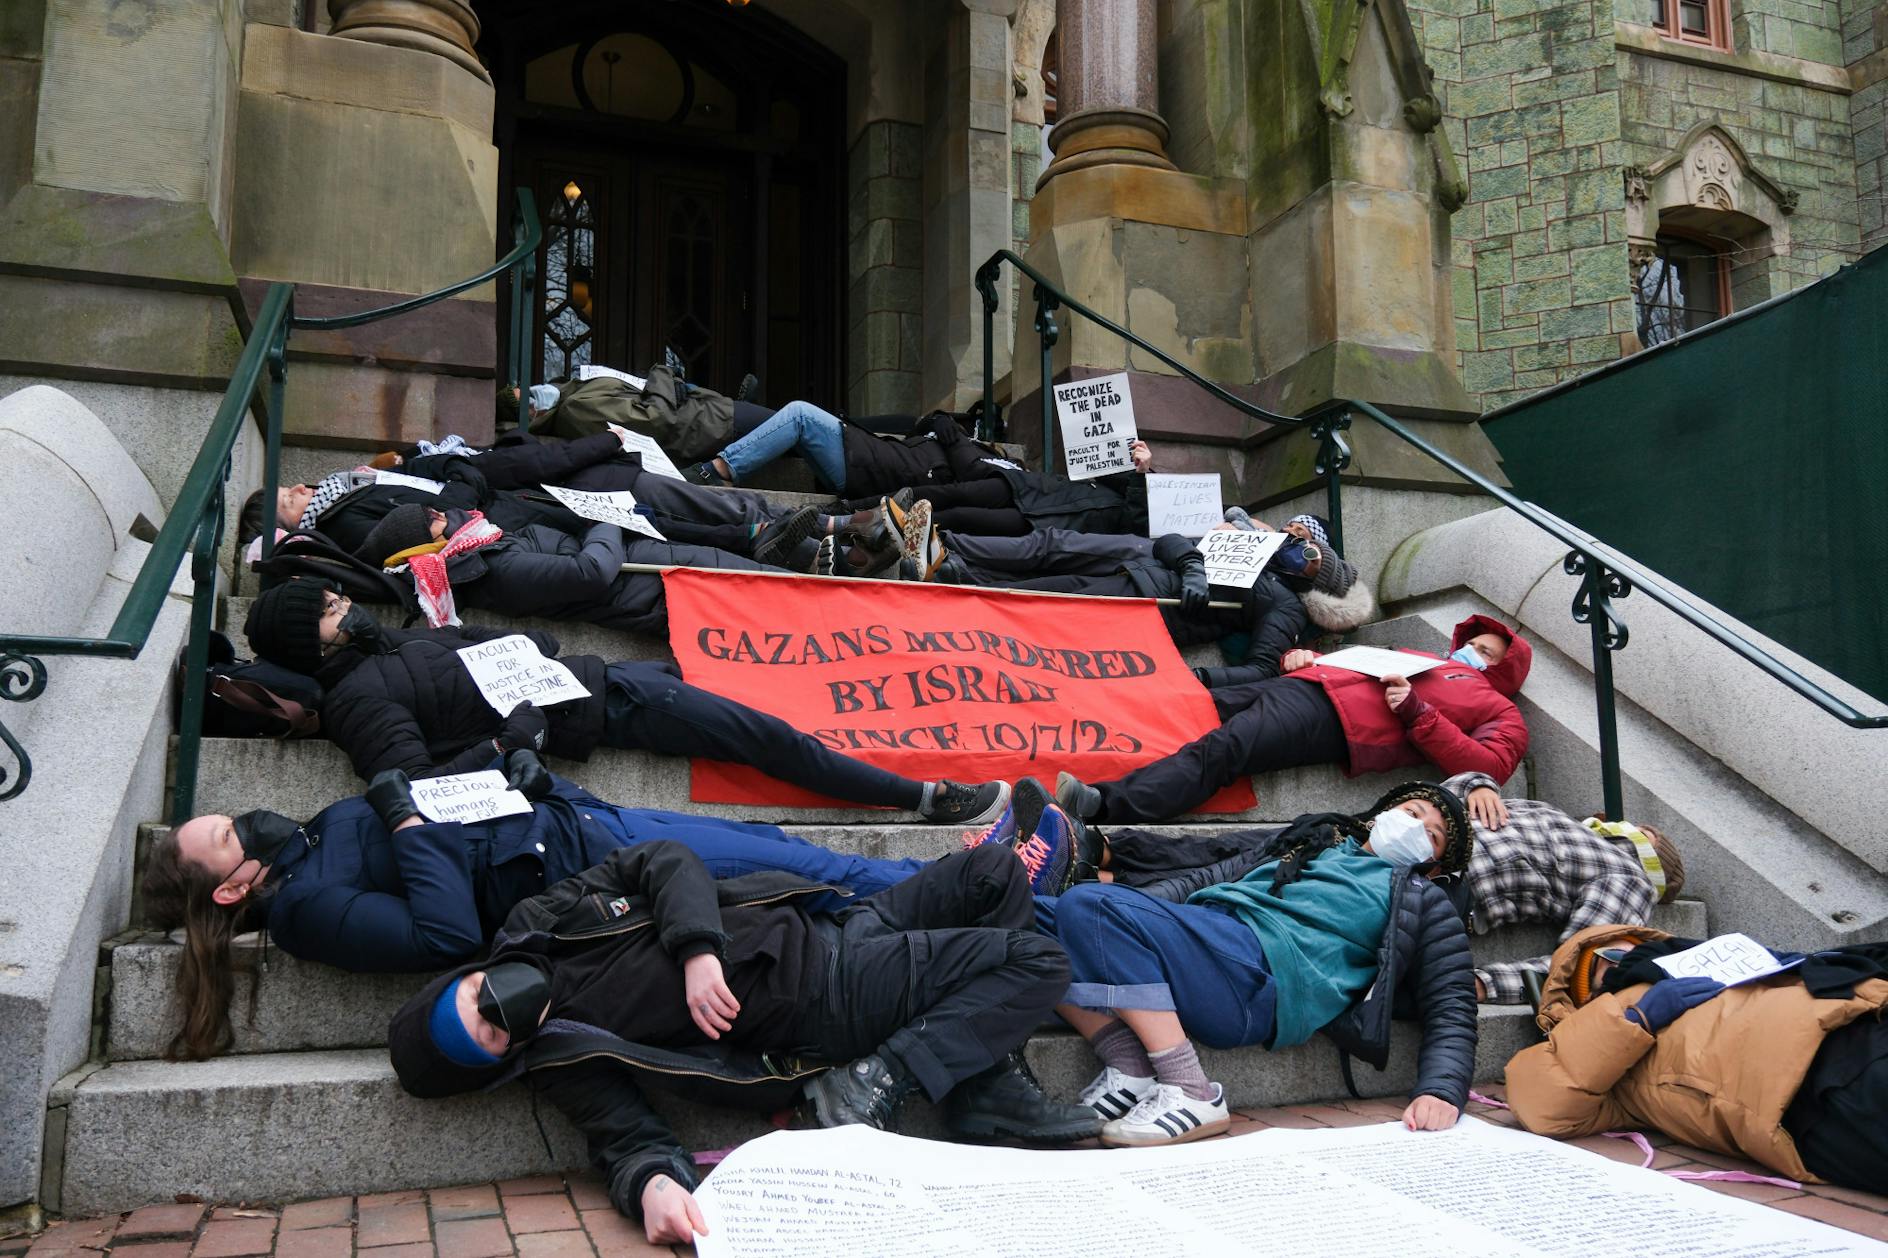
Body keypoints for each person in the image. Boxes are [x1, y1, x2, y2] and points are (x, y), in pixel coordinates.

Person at [387, 840, 1102, 1244]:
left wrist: (697, 947)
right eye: (488, 1033)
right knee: (1036, 962)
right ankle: (876, 1080)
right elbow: (624, 1140)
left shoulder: (539, 920)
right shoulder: (567, 1056)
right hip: (825, 996)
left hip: (834, 923)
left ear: (474, 973)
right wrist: (653, 1188)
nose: (498, 1011)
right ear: (500, 1060)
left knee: (995, 871)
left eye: (478, 997)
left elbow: (661, 859)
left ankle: (981, 1082)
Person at [142, 766, 1065, 1059]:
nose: (239, 820)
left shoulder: (305, 842)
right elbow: (444, 936)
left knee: (776, 851)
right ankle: (976, 876)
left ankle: (978, 880)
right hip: (594, 875)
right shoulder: (303, 911)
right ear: (230, 887)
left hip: (575, 819)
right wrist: (407, 816)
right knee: (799, 871)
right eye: (223, 834)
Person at [239, 577, 1010, 825]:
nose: (348, 605)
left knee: (771, 719)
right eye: (332, 609)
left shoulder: (398, 644)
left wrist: (526, 662)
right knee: (769, 736)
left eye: (340, 597)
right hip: (607, 712)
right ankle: (923, 797)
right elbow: (424, 790)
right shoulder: (359, 703)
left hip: (602, 678)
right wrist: (521, 728)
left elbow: (510, 643)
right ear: (313, 644)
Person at [1035, 782, 1478, 1146]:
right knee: (1033, 912)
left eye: (1432, 835)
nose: (1416, 826)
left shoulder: (1425, 901)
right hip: (1210, 932)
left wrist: (1442, 1090)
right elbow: (1205, 879)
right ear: (1384, 810)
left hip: (1264, 976)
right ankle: (1127, 1062)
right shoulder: (1311, 839)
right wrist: (1126, 919)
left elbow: (1452, 1002)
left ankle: (1192, 1090)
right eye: (1413, 811)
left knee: (1089, 904)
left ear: (1435, 866)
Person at [1504, 924, 1888, 1193]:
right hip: (1795, 1103)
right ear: (1581, 1001)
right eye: (1605, 962)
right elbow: (1539, 1101)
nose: (1628, 961)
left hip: (1855, 1024)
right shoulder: (1606, 1042)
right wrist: (1634, 1020)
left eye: (1631, 949)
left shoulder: (1725, 963)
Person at [1054, 613, 1533, 825]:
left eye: (1486, 652)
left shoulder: (1500, 709)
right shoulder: (1427, 656)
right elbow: (1358, 662)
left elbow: (1489, 765)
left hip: (1333, 723)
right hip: (1305, 686)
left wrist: (1417, 712)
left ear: (1504, 669)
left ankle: (1105, 805)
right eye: (1472, 644)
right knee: (1182, 707)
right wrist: (1308, 657)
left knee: (1226, 749)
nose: (1472, 651)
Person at [1443, 771, 1685, 1004]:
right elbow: (1431, 797)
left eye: (1640, 834)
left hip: (1450, 883)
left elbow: (1574, 965)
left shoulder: (1630, 878)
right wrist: (1477, 785)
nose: (1622, 826)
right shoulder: (1553, 814)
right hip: (1425, 833)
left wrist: (1483, 983)